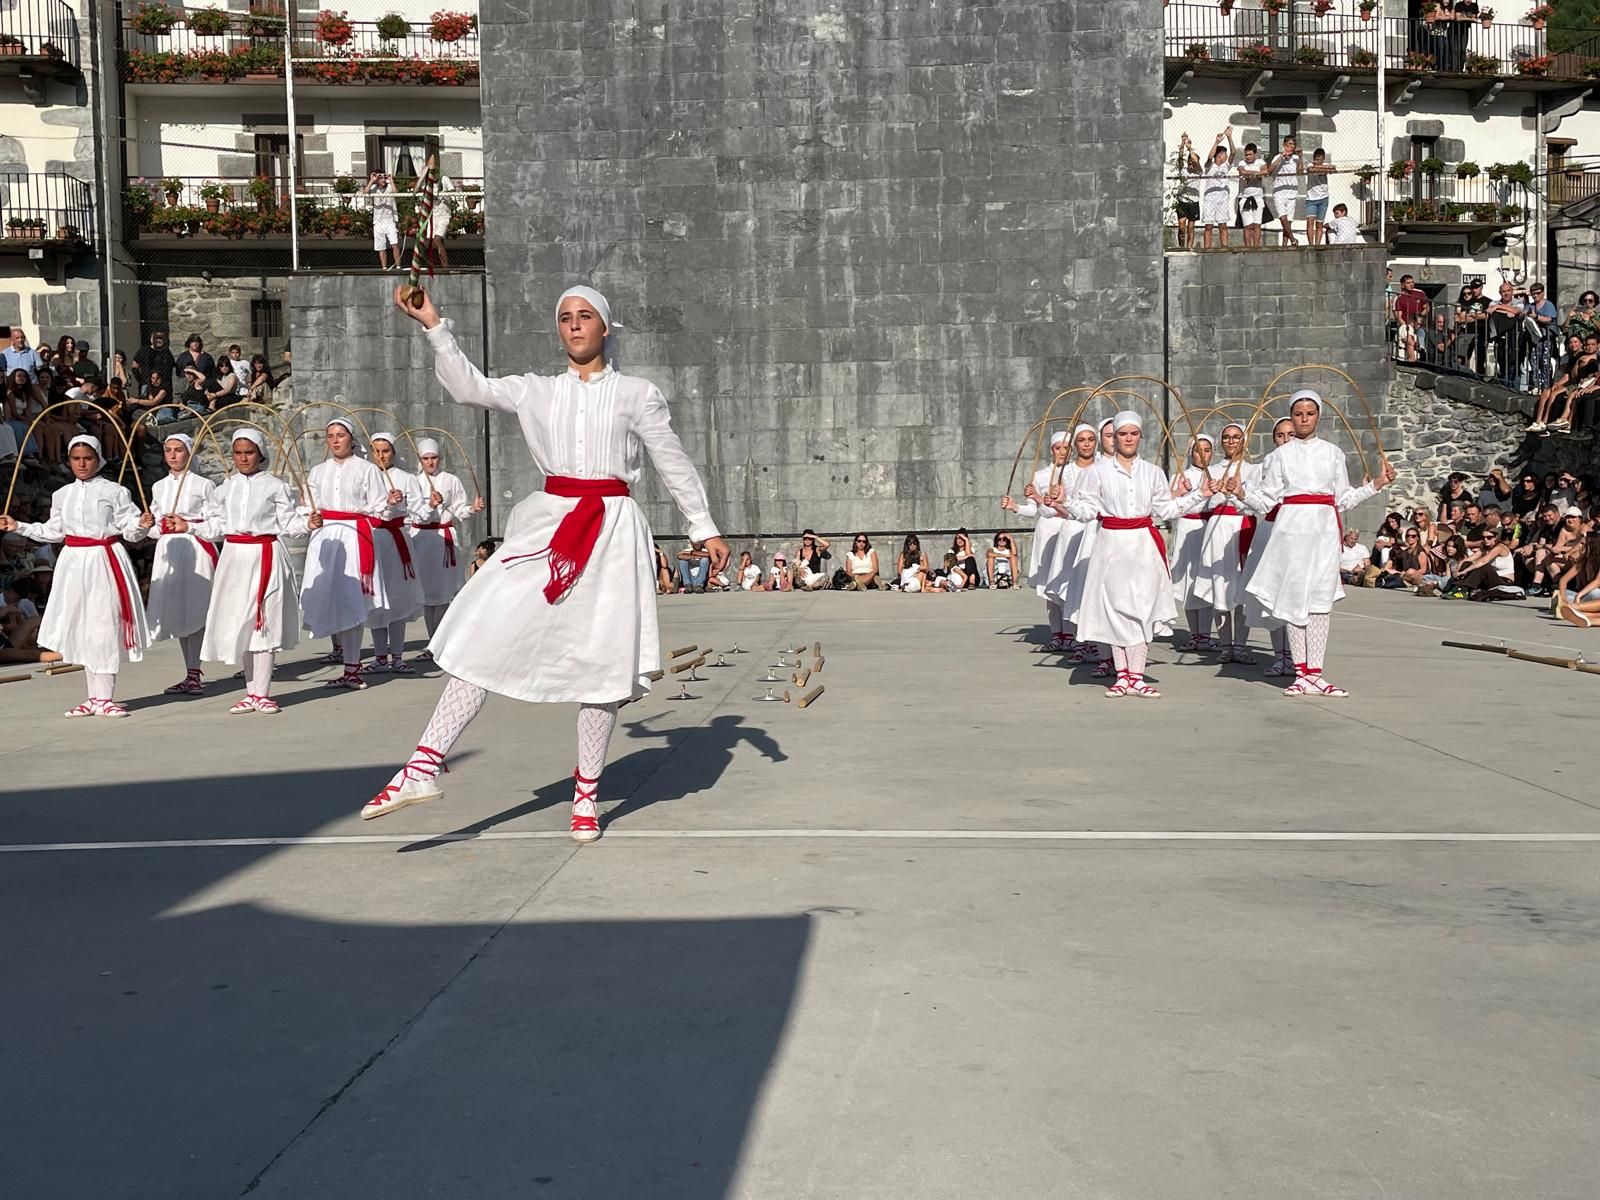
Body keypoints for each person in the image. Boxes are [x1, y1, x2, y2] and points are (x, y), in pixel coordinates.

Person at [367, 283, 728, 843]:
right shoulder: (535, 390)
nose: (576, 325)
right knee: (483, 629)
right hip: (549, 524)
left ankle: (586, 797)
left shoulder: (637, 393)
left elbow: (671, 460)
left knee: (602, 664)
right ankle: (423, 766)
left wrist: (702, 525)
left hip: (611, 529)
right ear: (557, 329)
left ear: (605, 327)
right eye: (565, 317)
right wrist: (433, 325)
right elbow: (469, 387)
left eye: (586, 316)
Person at [1228, 390, 1396, 697]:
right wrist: (1240, 494)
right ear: (1291, 417)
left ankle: (1316, 673)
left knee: (1320, 602)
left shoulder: (1333, 453)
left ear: (1319, 416)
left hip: (1323, 532)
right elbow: (1265, 501)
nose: (1304, 419)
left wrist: (1376, 485)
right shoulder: (1279, 456)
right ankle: (1301, 673)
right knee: (1295, 601)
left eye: (1310, 414)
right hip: (1290, 532)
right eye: (1298, 414)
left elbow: (1343, 499)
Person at [1054, 410, 1211, 698]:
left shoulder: (1153, 473)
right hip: (1110, 545)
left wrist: (1199, 494)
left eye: (1133, 433)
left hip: (1143, 545)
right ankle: (1122, 675)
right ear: (1113, 437)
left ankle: (1137, 676)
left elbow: (1166, 509)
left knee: (1141, 608)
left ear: (1140, 436)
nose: (1127, 439)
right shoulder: (1098, 472)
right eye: (1121, 434)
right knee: (1116, 609)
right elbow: (1088, 510)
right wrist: (1066, 502)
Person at [0, 434, 152, 716]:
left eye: (88, 458)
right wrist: (18, 525)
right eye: (76, 459)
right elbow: (54, 531)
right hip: (73, 563)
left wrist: (142, 526)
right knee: (81, 624)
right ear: (69, 461)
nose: (82, 464)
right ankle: (92, 697)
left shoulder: (115, 491)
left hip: (104, 560)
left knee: (103, 623)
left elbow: (129, 528)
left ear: (98, 459)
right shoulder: (62, 494)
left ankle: (105, 696)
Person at [193, 429, 310, 715]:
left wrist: (308, 523)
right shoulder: (225, 488)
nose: (243, 458)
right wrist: (189, 527)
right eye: (238, 453)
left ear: (260, 454)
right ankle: (249, 692)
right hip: (234, 558)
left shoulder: (274, 486)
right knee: (242, 622)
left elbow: (288, 523)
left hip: (265, 555)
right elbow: (216, 527)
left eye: (249, 452)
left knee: (265, 622)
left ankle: (263, 692)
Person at [301, 417, 393, 690]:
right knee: (329, 596)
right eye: (330, 436)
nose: (335, 440)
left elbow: (379, 508)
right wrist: (308, 517)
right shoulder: (317, 471)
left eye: (341, 435)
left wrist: (389, 505)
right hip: (326, 537)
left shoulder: (367, 469)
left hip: (355, 536)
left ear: (352, 439)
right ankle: (342, 656)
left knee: (352, 598)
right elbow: (308, 506)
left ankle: (353, 666)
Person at [145, 432, 219, 695]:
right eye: (168, 450)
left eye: (178, 450)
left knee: (196, 609)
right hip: (169, 551)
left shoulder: (204, 485)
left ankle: (195, 671)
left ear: (189, 453)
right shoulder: (159, 487)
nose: (173, 455)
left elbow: (217, 524)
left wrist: (188, 525)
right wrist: (150, 526)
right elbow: (155, 526)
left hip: (194, 549)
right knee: (177, 611)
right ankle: (189, 671)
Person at [1194, 421, 1261, 663]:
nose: (1231, 441)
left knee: (1241, 587)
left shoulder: (1254, 470)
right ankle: (1225, 645)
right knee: (1220, 586)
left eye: (1236, 437)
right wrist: (1217, 493)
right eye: (1226, 437)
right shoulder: (1211, 470)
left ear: (1244, 440)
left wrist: (1235, 494)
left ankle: (1241, 645)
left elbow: (1255, 504)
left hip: (1242, 529)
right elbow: (1203, 504)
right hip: (1218, 529)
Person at [409, 436, 483, 650]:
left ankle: (437, 642)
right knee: (427, 595)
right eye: (426, 458)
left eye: (434, 458)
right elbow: (410, 514)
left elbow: (460, 510)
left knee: (442, 594)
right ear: (419, 460)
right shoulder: (413, 482)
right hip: (420, 540)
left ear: (439, 458)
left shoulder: (451, 480)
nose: (430, 462)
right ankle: (432, 640)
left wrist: (472, 508)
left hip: (443, 541)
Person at [1000, 430, 1073, 649]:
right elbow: (1034, 510)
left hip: (1068, 529)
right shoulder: (1040, 476)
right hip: (1048, 532)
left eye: (1066, 448)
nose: (1062, 452)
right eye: (1057, 447)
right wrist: (1015, 507)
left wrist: (1042, 499)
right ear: (1051, 450)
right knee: (1049, 587)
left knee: (1068, 584)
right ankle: (1057, 634)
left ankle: (1072, 636)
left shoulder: (1076, 472)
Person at [361, 432, 426, 674]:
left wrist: (421, 505)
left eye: (385, 451)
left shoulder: (407, 478)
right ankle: (379, 656)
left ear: (393, 453)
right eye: (376, 451)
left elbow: (420, 511)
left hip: (397, 541)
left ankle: (397, 655)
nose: (381, 456)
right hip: (373, 539)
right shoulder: (365, 475)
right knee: (376, 599)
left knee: (397, 597)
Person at [1170, 430, 1219, 652]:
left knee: (1204, 578)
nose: (1203, 455)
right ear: (1191, 453)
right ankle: (1195, 634)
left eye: (1207, 450)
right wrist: (1182, 493)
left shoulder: (1217, 475)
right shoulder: (1181, 476)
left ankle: (1206, 634)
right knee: (1190, 581)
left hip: (1207, 528)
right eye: (1198, 450)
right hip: (1187, 529)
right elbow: (1168, 504)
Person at [1267, 135, 1302, 247]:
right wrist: (1282, 156)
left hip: (1292, 192)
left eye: (1293, 145)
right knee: (1283, 218)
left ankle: (1285, 245)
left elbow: (1300, 172)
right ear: (1284, 145)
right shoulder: (1277, 157)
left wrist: (1300, 157)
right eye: (1289, 145)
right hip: (1279, 192)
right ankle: (1293, 239)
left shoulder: (1296, 159)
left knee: (1288, 222)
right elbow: (1270, 169)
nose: (1291, 147)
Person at [1199, 134, 1232, 250]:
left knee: (1223, 225)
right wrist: (1216, 142)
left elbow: (1233, 154)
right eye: (1224, 154)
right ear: (1219, 155)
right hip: (1210, 200)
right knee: (1209, 226)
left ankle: (1225, 248)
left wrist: (1229, 137)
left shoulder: (1225, 166)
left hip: (1222, 200)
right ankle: (1207, 249)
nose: (1226, 156)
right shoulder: (1209, 166)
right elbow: (1209, 157)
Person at [1172, 133, 1201, 250]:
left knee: (1190, 227)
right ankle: (1181, 247)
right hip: (1182, 201)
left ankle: (1189, 248)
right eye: (1189, 163)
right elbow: (1179, 159)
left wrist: (1190, 148)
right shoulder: (1184, 171)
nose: (1191, 165)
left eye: (1193, 163)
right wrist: (1182, 144)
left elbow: (1196, 161)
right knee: (1181, 226)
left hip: (1194, 202)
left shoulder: (1199, 172)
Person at [368, 171, 401, 269]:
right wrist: (371, 181)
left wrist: (391, 180)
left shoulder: (389, 188)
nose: (383, 180)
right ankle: (384, 267)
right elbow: (365, 192)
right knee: (381, 246)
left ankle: (398, 266)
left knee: (394, 243)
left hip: (390, 220)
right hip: (378, 221)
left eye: (384, 177)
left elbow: (396, 192)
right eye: (380, 178)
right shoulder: (374, 189)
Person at [1304, 148, 1331, 246]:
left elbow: (1332, 168)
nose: (1316, 161)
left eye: (1318, 159)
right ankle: (1311, 244)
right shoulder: (1310, 165)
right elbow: (1310, 169)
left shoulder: (1326, 166)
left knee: (1319, 223)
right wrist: (1319, 168)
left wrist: (1322, 168)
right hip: (1311, 198)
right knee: (1310, 222)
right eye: (1315, 159)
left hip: (1323, 198)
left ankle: (1317, 244)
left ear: (1323, 159)